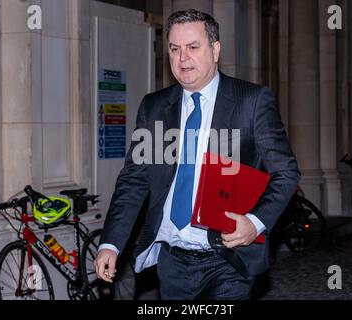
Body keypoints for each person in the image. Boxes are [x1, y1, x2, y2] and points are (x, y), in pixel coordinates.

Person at [95, 9, 300, 300]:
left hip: (227, 259)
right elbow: (134, 180)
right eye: (174, 49)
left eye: (193, 47)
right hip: (171, 261)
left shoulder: (251, 102)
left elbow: (286, 172)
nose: (182, 58)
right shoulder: (154, 107)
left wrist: (254, 223)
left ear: (215, 50)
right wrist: (111, 244)